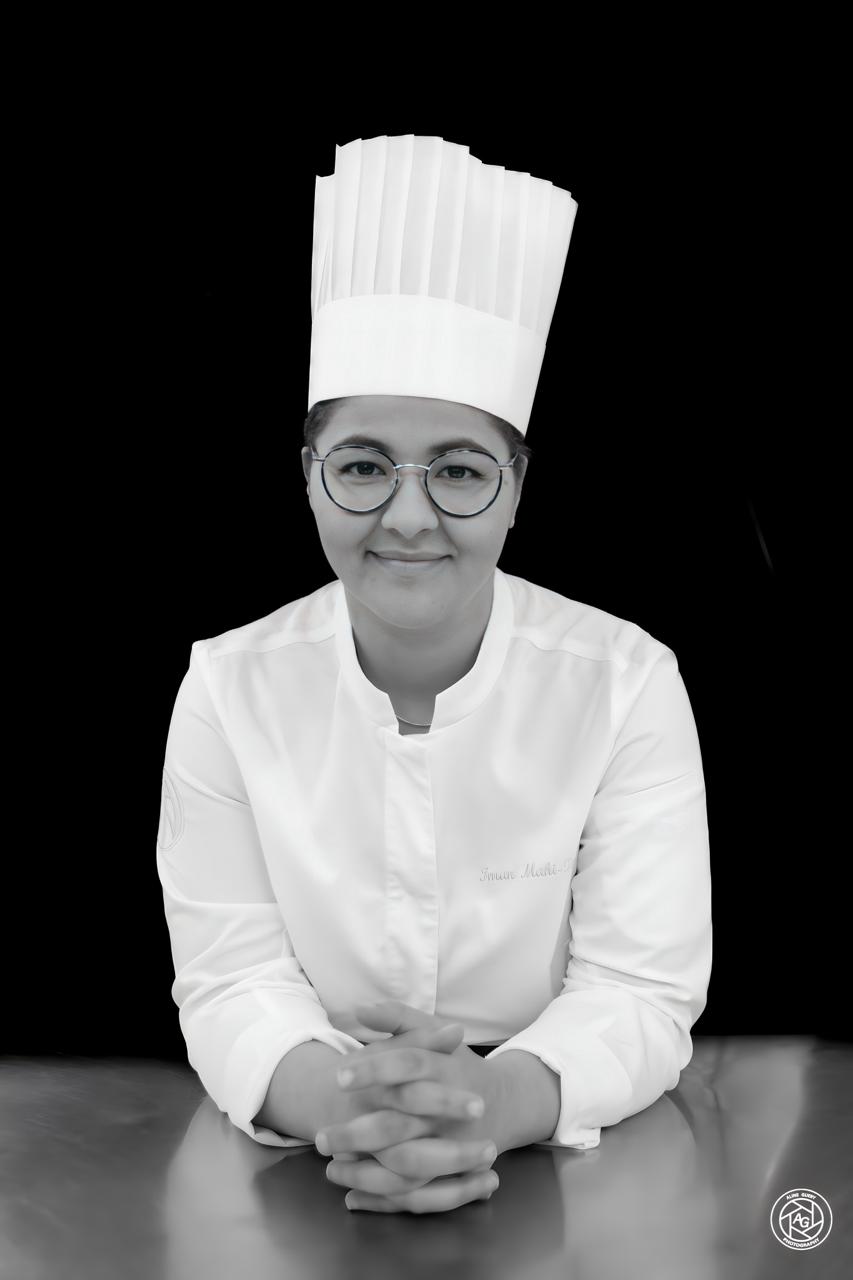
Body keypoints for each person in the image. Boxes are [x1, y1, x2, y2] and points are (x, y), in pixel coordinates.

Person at [156, 134, 712, 1215]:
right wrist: (355, 1110)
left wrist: (486, 1105)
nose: (408, 516)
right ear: (308, 477)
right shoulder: (227, 687)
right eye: (363, 466)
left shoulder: (624, 682)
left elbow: (639, 989)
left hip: (556, 1162)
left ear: (516, 488)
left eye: (458, 470)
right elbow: (230, 981)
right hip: (323, 1137)